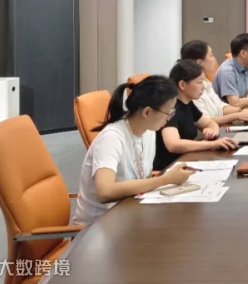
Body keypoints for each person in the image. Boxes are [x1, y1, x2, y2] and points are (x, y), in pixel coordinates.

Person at [74, 76, 197, 225]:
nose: (169, 118)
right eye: (168, 113)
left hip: (129, 215)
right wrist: (166, 179)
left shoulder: (148, 132)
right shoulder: (112, 138)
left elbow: (144, 179)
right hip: (97, 228)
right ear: (147, 112)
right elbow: (104, 192)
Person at [154, 60, 240, 171]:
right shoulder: (170, 108)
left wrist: (212, 131)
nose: (203, 87)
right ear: (182, 84)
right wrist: (212, 144)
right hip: (170, 169)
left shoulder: (188, 103)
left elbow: (210, 123)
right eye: (199, 82)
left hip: (188, 161)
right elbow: (173, 145)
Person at [180, 40, 248, 125]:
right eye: (211, 55)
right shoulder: (191, 88)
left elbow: (221, 107)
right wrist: (236, 116)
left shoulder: (206, 82)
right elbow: (205, 121)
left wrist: (241, 111)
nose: (214, 59)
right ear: (199, 62)